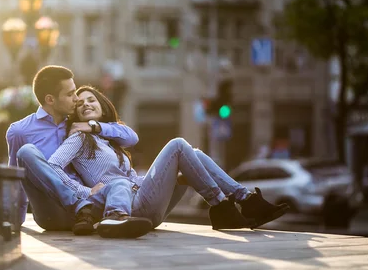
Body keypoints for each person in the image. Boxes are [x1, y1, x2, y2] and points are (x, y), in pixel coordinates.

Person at [48, 86, 289, 231]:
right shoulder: (78, 139)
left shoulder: (111, 139)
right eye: (80, 104)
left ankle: (244, 199)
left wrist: (94, 126)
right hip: (128, 209)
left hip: (144, 205)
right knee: (178, 145)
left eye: (91, 100)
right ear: (76, 115)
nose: (86, 104)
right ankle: (222, 204)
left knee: (194, 155)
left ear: (102, 106)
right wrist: (83, 191)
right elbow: (52, 166)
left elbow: (131, 136)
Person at [5, 65, 140, 232]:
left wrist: (93, 126)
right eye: (70, 94)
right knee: (27, 152)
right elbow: (15, 179)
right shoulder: (20, 130)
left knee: (119, 184)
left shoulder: (77, 124)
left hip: (89, 213)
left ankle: (107, 217)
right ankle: (78, 205)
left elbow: (131, 137)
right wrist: (14, 221)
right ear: (50, 100)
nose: (77, 99)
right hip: (52, 211)